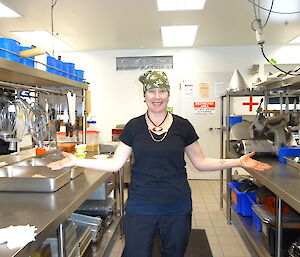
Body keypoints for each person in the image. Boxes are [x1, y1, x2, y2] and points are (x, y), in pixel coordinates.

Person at [47, 71, 272, 257]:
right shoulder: (133, 127)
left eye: (162, 91)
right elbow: (116, 164)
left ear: (168, 94)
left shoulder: (183, 127)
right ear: (144, 96)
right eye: (151, 91)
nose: (157, 96)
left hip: (176, 204)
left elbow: (201, 163)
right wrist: (76, 160)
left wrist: (239, 162)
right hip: (141, 205)